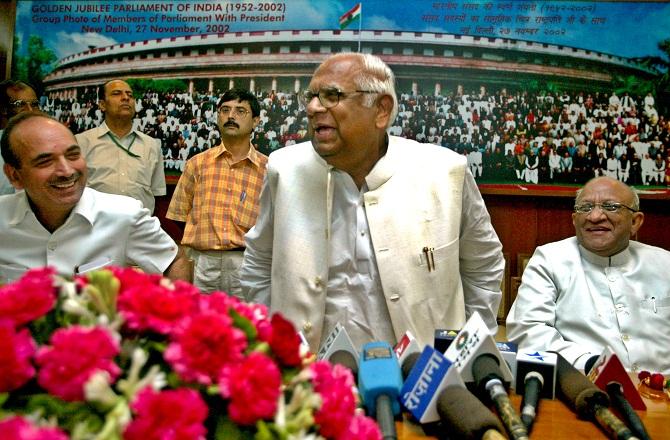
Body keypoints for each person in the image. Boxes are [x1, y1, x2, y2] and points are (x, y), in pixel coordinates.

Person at [240, 53, 504, 350]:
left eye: (331, 95)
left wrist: (467, 351)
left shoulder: (445, 173)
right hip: (308, 377)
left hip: (420, 375)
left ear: (381, 109)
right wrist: (272, 345)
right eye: (311, 96)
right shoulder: (284, 170)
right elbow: (259, 263)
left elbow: (483, 267)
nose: (314, 108)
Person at [0, 112, 190, 283]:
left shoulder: (124, 214)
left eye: (73, 155)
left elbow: (174, 260)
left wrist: (176, 314)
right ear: (14, 175)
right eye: (45, 161)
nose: (66, 171)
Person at [506, 176, 670, 374]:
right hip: (586, 385)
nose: (595, 216)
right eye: (585, 208)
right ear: (575, 220)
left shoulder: (664, 263)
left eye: (611, 207)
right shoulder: (550, 259)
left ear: (635, 222)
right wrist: (592, 364)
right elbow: (528, 332)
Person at [166, 88, 268, 297]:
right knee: (199, 325)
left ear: (256, 121)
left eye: (241, 111)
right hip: (201, 263)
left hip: (247, 264)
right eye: (225, 110)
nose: (231, 116)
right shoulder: (197, 163)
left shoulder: (268, 169)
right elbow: (179, 216)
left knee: (245, 326)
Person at [75, 79, 165, 213]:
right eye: (117, 94)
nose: (125, 98)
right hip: (95, 228)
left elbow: (157, 194)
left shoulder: (151, 145)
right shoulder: (81, 142)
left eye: (130, 95)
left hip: (139, 228)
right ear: (102, 105)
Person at [0, 80, 40, 195]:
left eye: (34, 104)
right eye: (20, 104)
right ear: (4, 109)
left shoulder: (48, 146)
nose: (30, 110)